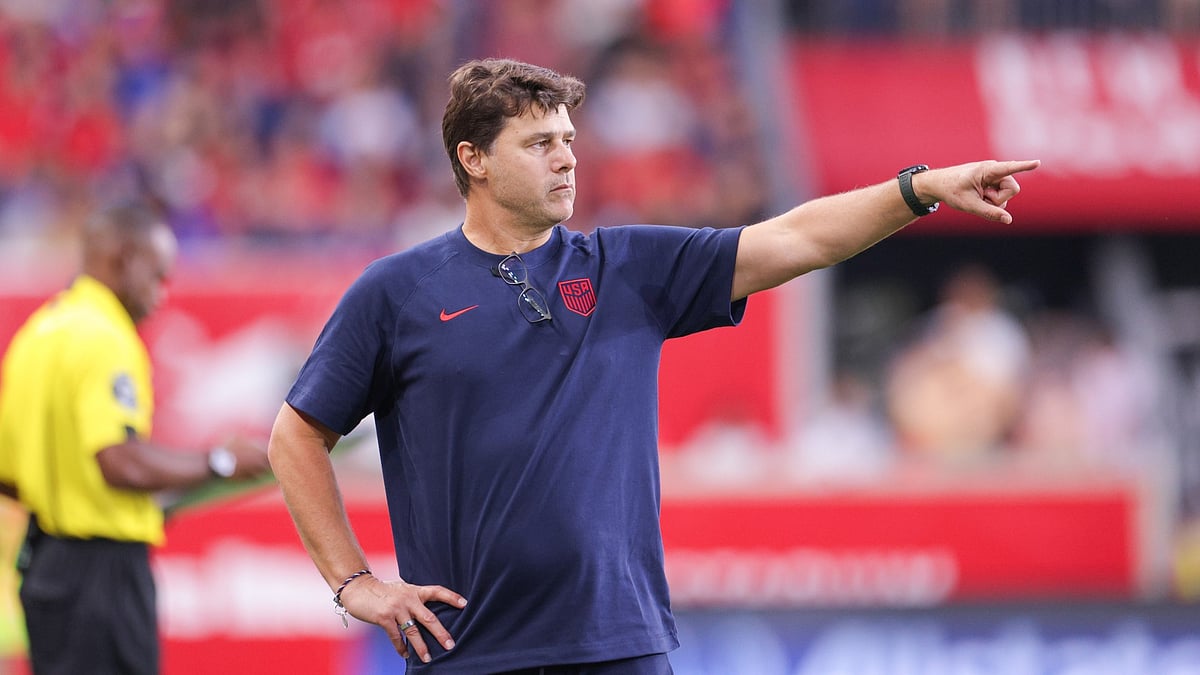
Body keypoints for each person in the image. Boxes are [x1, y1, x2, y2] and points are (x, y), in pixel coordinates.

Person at [267, 58, 1040, 673]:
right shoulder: (397, 292)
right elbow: (295, 435)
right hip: (467, 652)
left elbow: (797, 238)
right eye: (539, 144)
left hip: (621, 644)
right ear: (473, 159)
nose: (566, 160)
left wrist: (920, 188)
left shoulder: (627, 267)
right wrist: (354, 582)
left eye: (569, 140)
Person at [0, 202, 272, 675]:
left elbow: (11, 475)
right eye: (156, 275)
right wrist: (220, 462)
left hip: (46, 565)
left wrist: (111, 505)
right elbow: (118, 462)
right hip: (101, 575)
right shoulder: (105, 336)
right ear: (123, 259)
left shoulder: (38, 334)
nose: (162, 293)